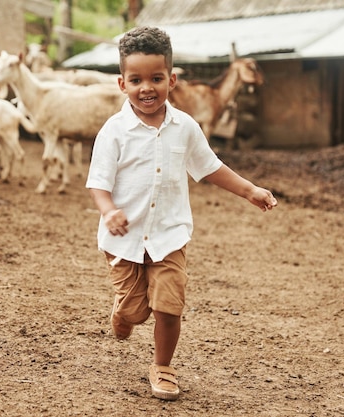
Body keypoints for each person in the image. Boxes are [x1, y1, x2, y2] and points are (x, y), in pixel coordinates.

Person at [85, 26, 277, 401]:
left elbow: (210, 167)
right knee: (137, 312)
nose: (147, 88)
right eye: (136, 79)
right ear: (122, 84)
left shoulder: (185, 127)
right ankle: (123, 313)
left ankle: (163, 367)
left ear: (171, 80)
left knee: (169, 306)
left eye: (156, 78)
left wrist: (249, 190)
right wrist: (108, 211)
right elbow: (98, 182)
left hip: (169, 235)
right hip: (123, 240)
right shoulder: (114, 132)